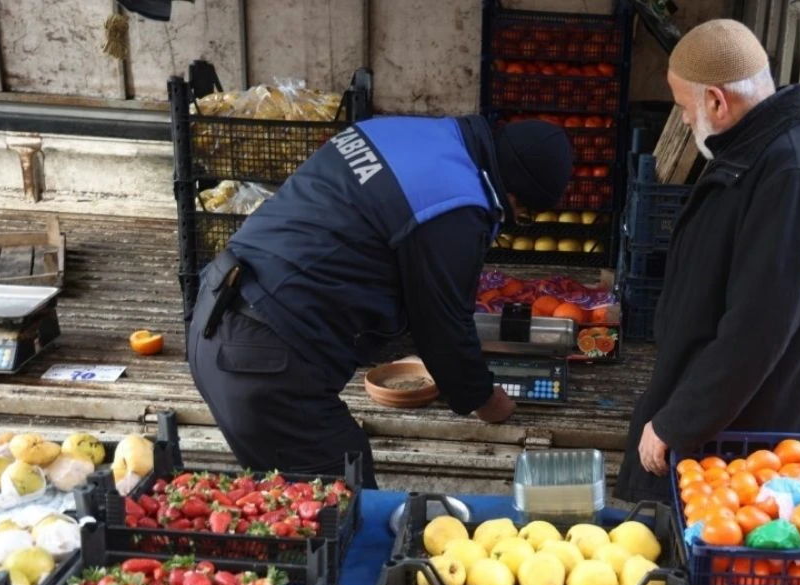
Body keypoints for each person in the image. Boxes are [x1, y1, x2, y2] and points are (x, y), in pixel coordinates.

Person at [187, 115, 574, 489]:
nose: (511, 219)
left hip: (217, 315)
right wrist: (486, 401)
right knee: (343, 509)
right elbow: (443, 326)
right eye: (520, 214)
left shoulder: (405, 133)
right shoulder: (456, 204)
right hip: (262, 361)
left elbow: (364, 242)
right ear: (511, 193)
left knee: (299, 510)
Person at [616, 19, 800, 503]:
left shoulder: (793, 174)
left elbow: (756, 330)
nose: (684, 121)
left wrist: (676, 421)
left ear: (716, 101)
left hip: (753, 442)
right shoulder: (758, 152)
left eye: (685, 108)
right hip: (727, 418)